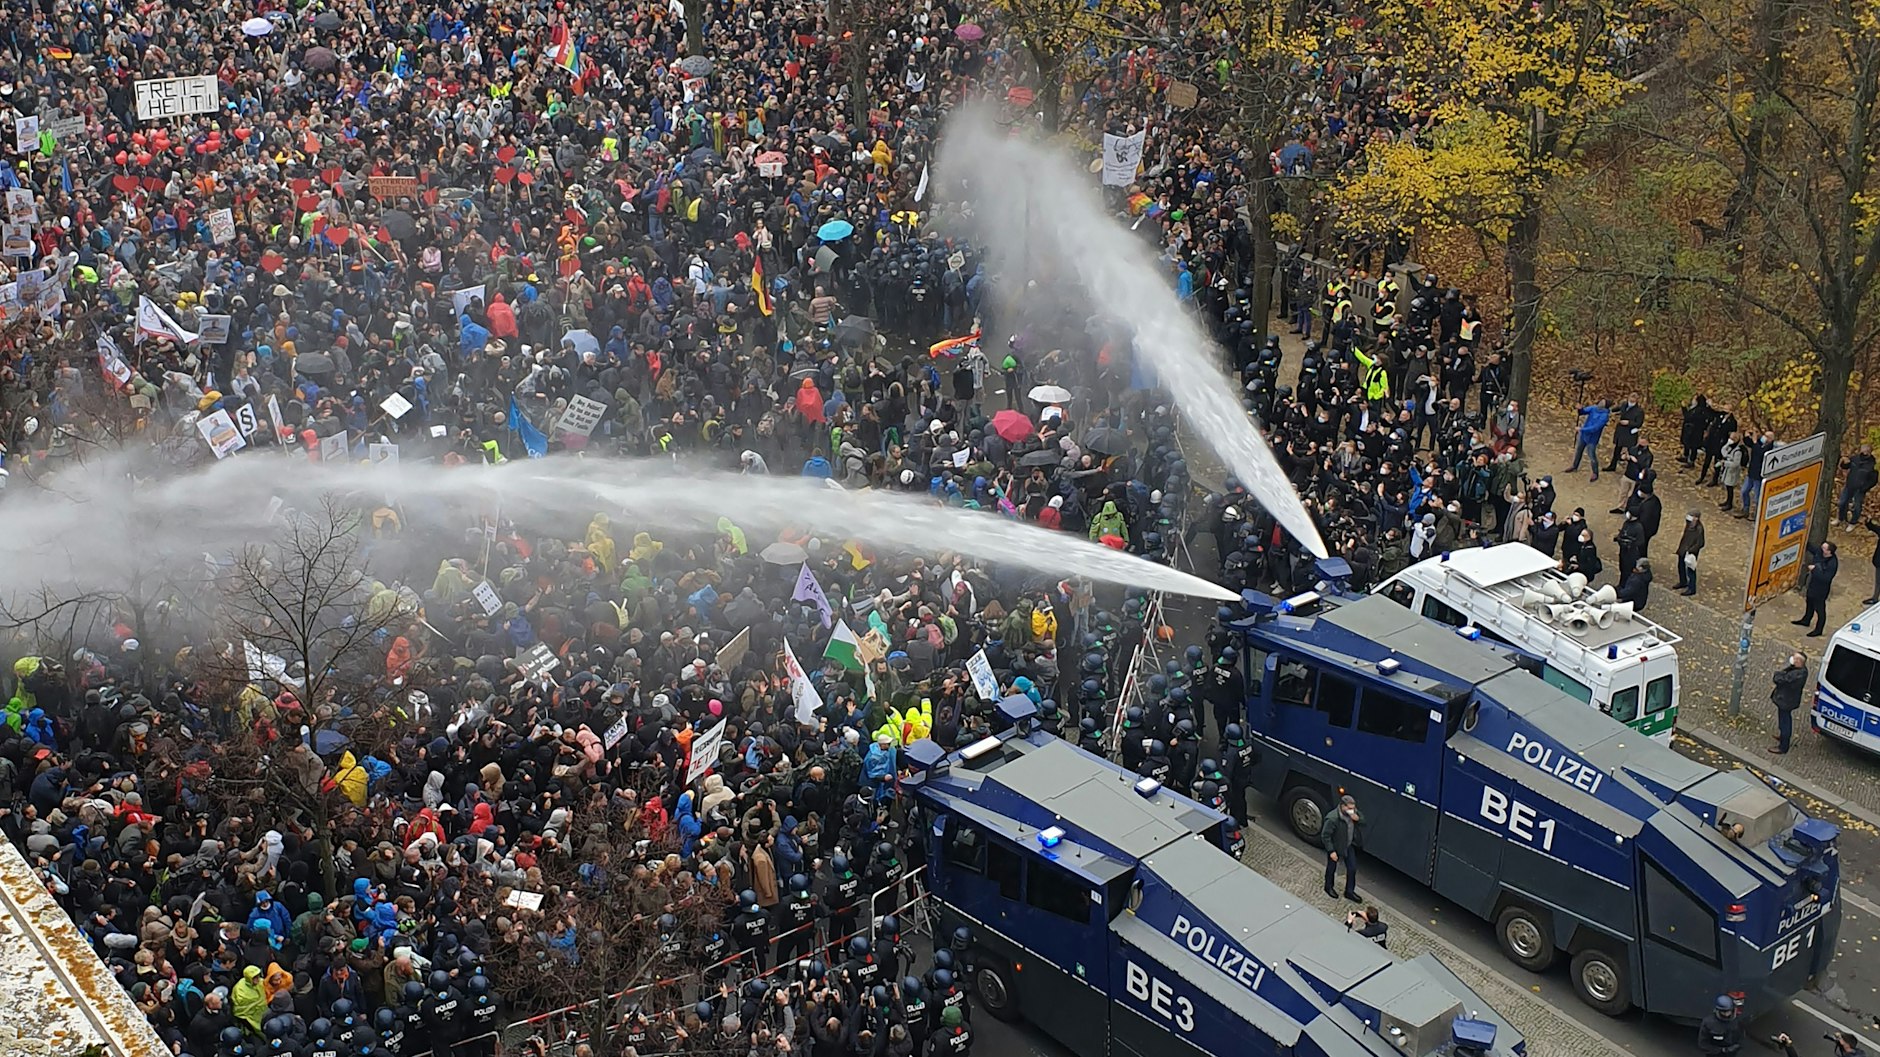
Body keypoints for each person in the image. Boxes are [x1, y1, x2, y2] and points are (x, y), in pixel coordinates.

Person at [1319, 794, 1362, 902]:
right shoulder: (1333, 818)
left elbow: (1362, 820)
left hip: (1348, 845)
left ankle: (1349, 892)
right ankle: (1328, 887)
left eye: (1353, 808)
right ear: (1342, 806)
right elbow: (1325, 835)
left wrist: (1358, 819)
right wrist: (1331, 850)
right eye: (1349, 808)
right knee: (1331, 868)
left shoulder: (1353, 813)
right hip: (1336, 847)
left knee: (1352, 869)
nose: (1352, 811)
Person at [1794, 541, 1840, 636]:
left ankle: (1819, 629)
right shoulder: (1820, 552)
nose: (1821, 548)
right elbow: (1812, 548)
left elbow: (1826, 578)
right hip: (1812, 584)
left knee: (1820, 609)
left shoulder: (1832, 563)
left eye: (1824, 548)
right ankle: (1806, 620)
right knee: (1809, 602)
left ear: (1828, 552)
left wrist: (1814, 570)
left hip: (1821, 590)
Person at [1771, 653, 1809, 755]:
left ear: (1799, 662)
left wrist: (1777, 675)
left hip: (1787, 700)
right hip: (1787, 699)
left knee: (1785, 721)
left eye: (1795, 658)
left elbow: (1781, 679)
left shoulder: (1797, 674)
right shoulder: (1798, 670)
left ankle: (1783, 746)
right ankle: (1783, 737)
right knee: (1783, 718)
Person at [1569, 400, 1610, 480]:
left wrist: (1582, 429)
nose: (1600, 403)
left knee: (1591, 455)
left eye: (1602, 403)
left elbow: (1595, 428)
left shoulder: (1604, 416)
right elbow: (1583, 412)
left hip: (1592, 438)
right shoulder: (1594, 408)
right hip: (1584, 435)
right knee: (1579, 451)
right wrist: (1580, 409)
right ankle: (1574, 466)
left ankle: (1595, 472)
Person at [1838, 444, 1878, 524]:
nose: (1865, 452)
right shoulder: (1855, 458)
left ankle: (1853, 522)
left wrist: (1864, 488)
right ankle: (1841, 519)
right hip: (1849, 486)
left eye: (1867, 450)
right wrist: (1844, 462)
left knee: (1857, 506)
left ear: (1870, 451)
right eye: (1864, 450)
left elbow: (1873, 480)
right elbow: (1845, 466)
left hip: (1860, 489)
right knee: (1842, 503)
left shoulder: (1872, 464)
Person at [1675, 511, 1705, 596]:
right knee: (1680, 565)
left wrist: (1691, 550)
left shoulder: (1699, 529)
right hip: (1683, 548)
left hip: (1691, 552)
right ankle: (1683, 581)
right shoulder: (1688, 524)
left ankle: (1692, 588)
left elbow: (1700, 543)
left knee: (1691, 570)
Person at [1774, 1030, 1865, 1057]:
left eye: (1842, 1039)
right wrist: (1828, 1036)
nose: (1839, 1040)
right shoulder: (1851, 1049)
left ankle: (1788, 1044)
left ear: (1847, 1045)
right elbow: (1836, 1040)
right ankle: (1787, 1044)